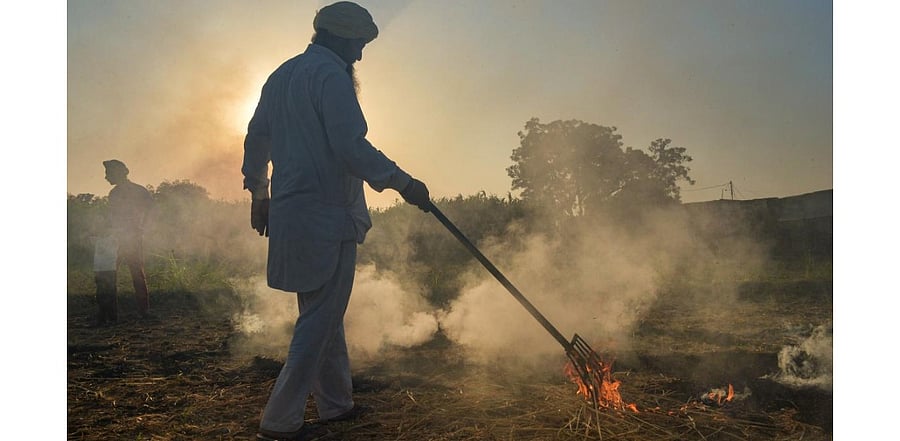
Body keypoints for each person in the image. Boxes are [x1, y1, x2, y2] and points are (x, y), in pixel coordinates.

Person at [241, 2, 431, 440]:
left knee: (322, 312)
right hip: (326, 215)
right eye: (359, 45)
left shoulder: (282, 75)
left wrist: (258, 190)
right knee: (320, 319)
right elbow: (350, 147)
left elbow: (257, 136)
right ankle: (280, 421)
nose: (360, 56)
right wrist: (404, 183)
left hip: (293, 212)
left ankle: (336, 405)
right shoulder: (330, 77)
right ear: (340, 38)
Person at [103, 159, 154, 319]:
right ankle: (138, 311)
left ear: (118, 173)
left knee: (116, 273)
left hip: (128, 237)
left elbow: (151, 212)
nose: (106, 177)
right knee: (128, 273)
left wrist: (141, 227)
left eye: (108, 173)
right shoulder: (120, 193)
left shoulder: (132, 192)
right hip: (121, 237)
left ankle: (113, 313)